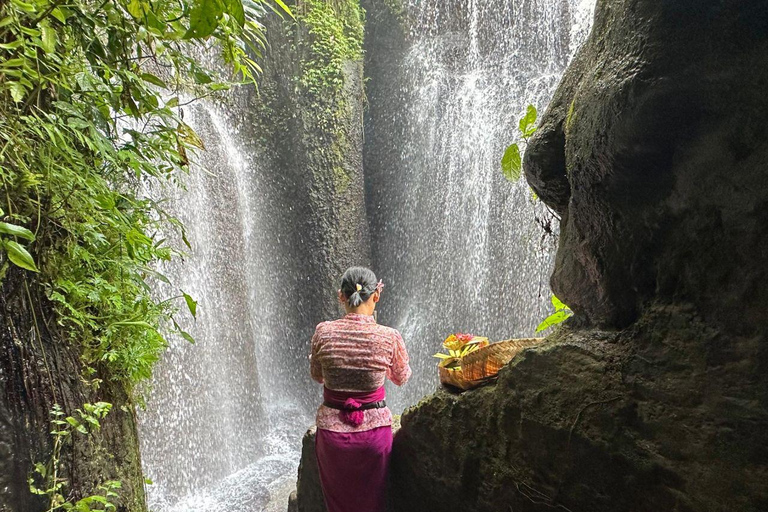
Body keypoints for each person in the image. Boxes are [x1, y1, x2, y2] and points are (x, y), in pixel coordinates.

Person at [309, 266, 411, 512]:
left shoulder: (323, 332)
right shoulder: (389, 337)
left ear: (341, 296)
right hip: (374, 440)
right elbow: (402, 377)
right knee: (373, 504)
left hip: (332, 439)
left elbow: (317, 376)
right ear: (376, 295)